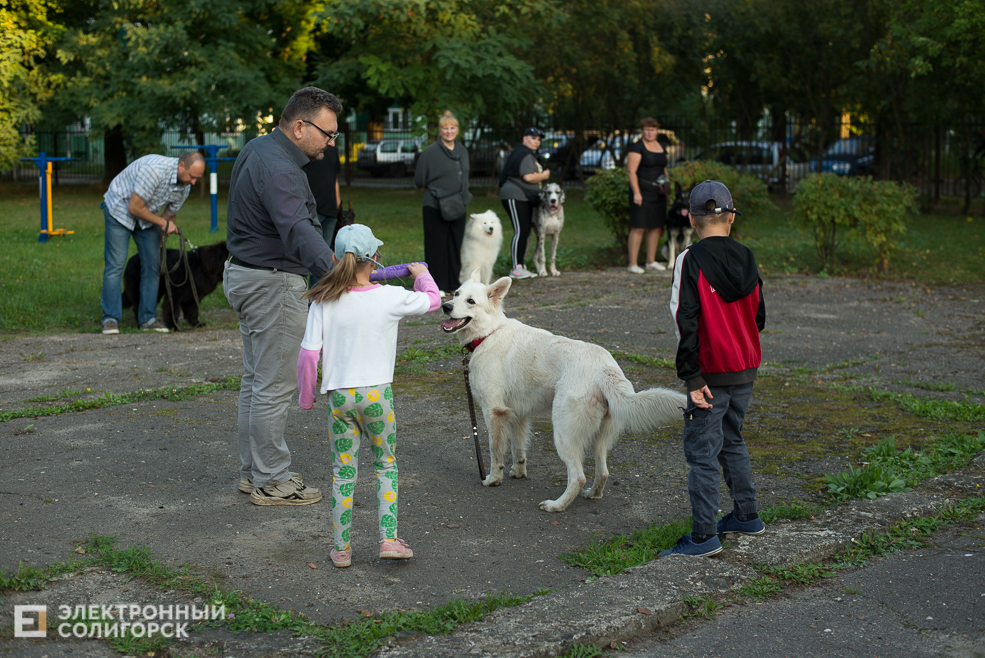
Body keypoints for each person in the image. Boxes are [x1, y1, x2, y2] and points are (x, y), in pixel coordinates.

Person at [224, 86, 342, 506]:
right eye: (327, 133)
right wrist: (343, 275)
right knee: (272, 387)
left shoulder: (259, 148)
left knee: (256, 382)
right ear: (299, 126)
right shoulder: (281, 170)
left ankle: (252, 473)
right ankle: (271, 480)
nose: (331, 142)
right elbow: (299, 231)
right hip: (271, 283)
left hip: (246, 274)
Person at [297, 224, 441, 567]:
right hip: (378, 397)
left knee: (343, 474)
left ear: (334, 258)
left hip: (339, 398)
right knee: (386, 466)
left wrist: (306, 396)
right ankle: (388, 540)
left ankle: (341, 549)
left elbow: (308, 355)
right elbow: (434, 301)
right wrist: (422, 275)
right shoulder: (390, 296)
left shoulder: (323, 299)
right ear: (375, 259)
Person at [662, 180, 767, 558]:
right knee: (733, 439)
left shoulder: (689, 260)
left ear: (692, 218)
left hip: (707, 375)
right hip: (745, 368)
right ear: (731, 217)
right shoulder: (749, 257)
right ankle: (747, 514)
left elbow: (683, 317)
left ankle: (704, 536)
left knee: (702, 454)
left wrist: (691, 377)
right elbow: (759, 317)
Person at [100, 151, 206, 334]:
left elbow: (169, 214)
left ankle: (147, 319)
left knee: (154, 265)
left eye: (197, 178)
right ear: (181, 165)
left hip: (146, 216)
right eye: (191, 176)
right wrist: (163, 223)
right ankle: (110, 319)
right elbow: (134, 207)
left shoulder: (185, 185)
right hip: (120, 210)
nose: (193, 182)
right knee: (115, 265)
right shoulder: (155, 171)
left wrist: (162, 238)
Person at [414, 110, 472, 294]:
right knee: (436, 247)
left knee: (454, 246)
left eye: (452, 127)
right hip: (435, 205)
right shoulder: (430, 152)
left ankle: (453, 283)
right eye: (445, 128)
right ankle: (435, 285)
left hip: (458, 205)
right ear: (439, 131)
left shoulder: (462, 151)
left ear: (457, 130)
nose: (449, 131)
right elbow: (420, 181)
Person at [499, 127, 550, 279]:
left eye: (539, 139)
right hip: (515, 195)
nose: (536, 142)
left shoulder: (520, 152)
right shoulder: (525, 154)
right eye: (533, 138)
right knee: (521, 230)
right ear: (524, 139)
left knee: (524, 229)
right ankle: (516, 268)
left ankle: (519, 265)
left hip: (521, 196)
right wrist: (544, 175)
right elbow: (527, 177)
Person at [626, 117, 669, 274]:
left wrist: (667, 184)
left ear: (657, 131)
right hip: (642, 191)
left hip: (658, 192)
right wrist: (636, 193)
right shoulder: (637, 147)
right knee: (638, 226)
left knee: (656, 226)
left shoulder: (661, 146)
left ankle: (650, 261)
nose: (650, 132)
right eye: (647, 129)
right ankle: (632, 264)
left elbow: (663, 168)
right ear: (642, 130)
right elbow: (631, 171)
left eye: (652, 129)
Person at [304, 142, 342, 287]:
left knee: (325, 257)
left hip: (330, 209)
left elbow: (334, 178)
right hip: (311, 210)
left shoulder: (332, 149)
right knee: (311, 255)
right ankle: (305, 295)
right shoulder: (308, 148)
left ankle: (317, 296)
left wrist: (337, 202)